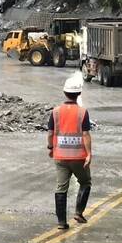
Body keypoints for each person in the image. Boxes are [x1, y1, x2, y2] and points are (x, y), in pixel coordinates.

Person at [48, 72, 92, 230]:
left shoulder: (56, 112)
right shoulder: (82, 112)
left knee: (61, 188)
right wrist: (89, 154)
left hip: (60, 157)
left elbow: (50, 133)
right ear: (78, 93)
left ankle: (61, 222)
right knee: (85, 182)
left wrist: (51, 148)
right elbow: (86, 134)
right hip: (78, 157)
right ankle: (78, 213)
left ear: (64, 92)